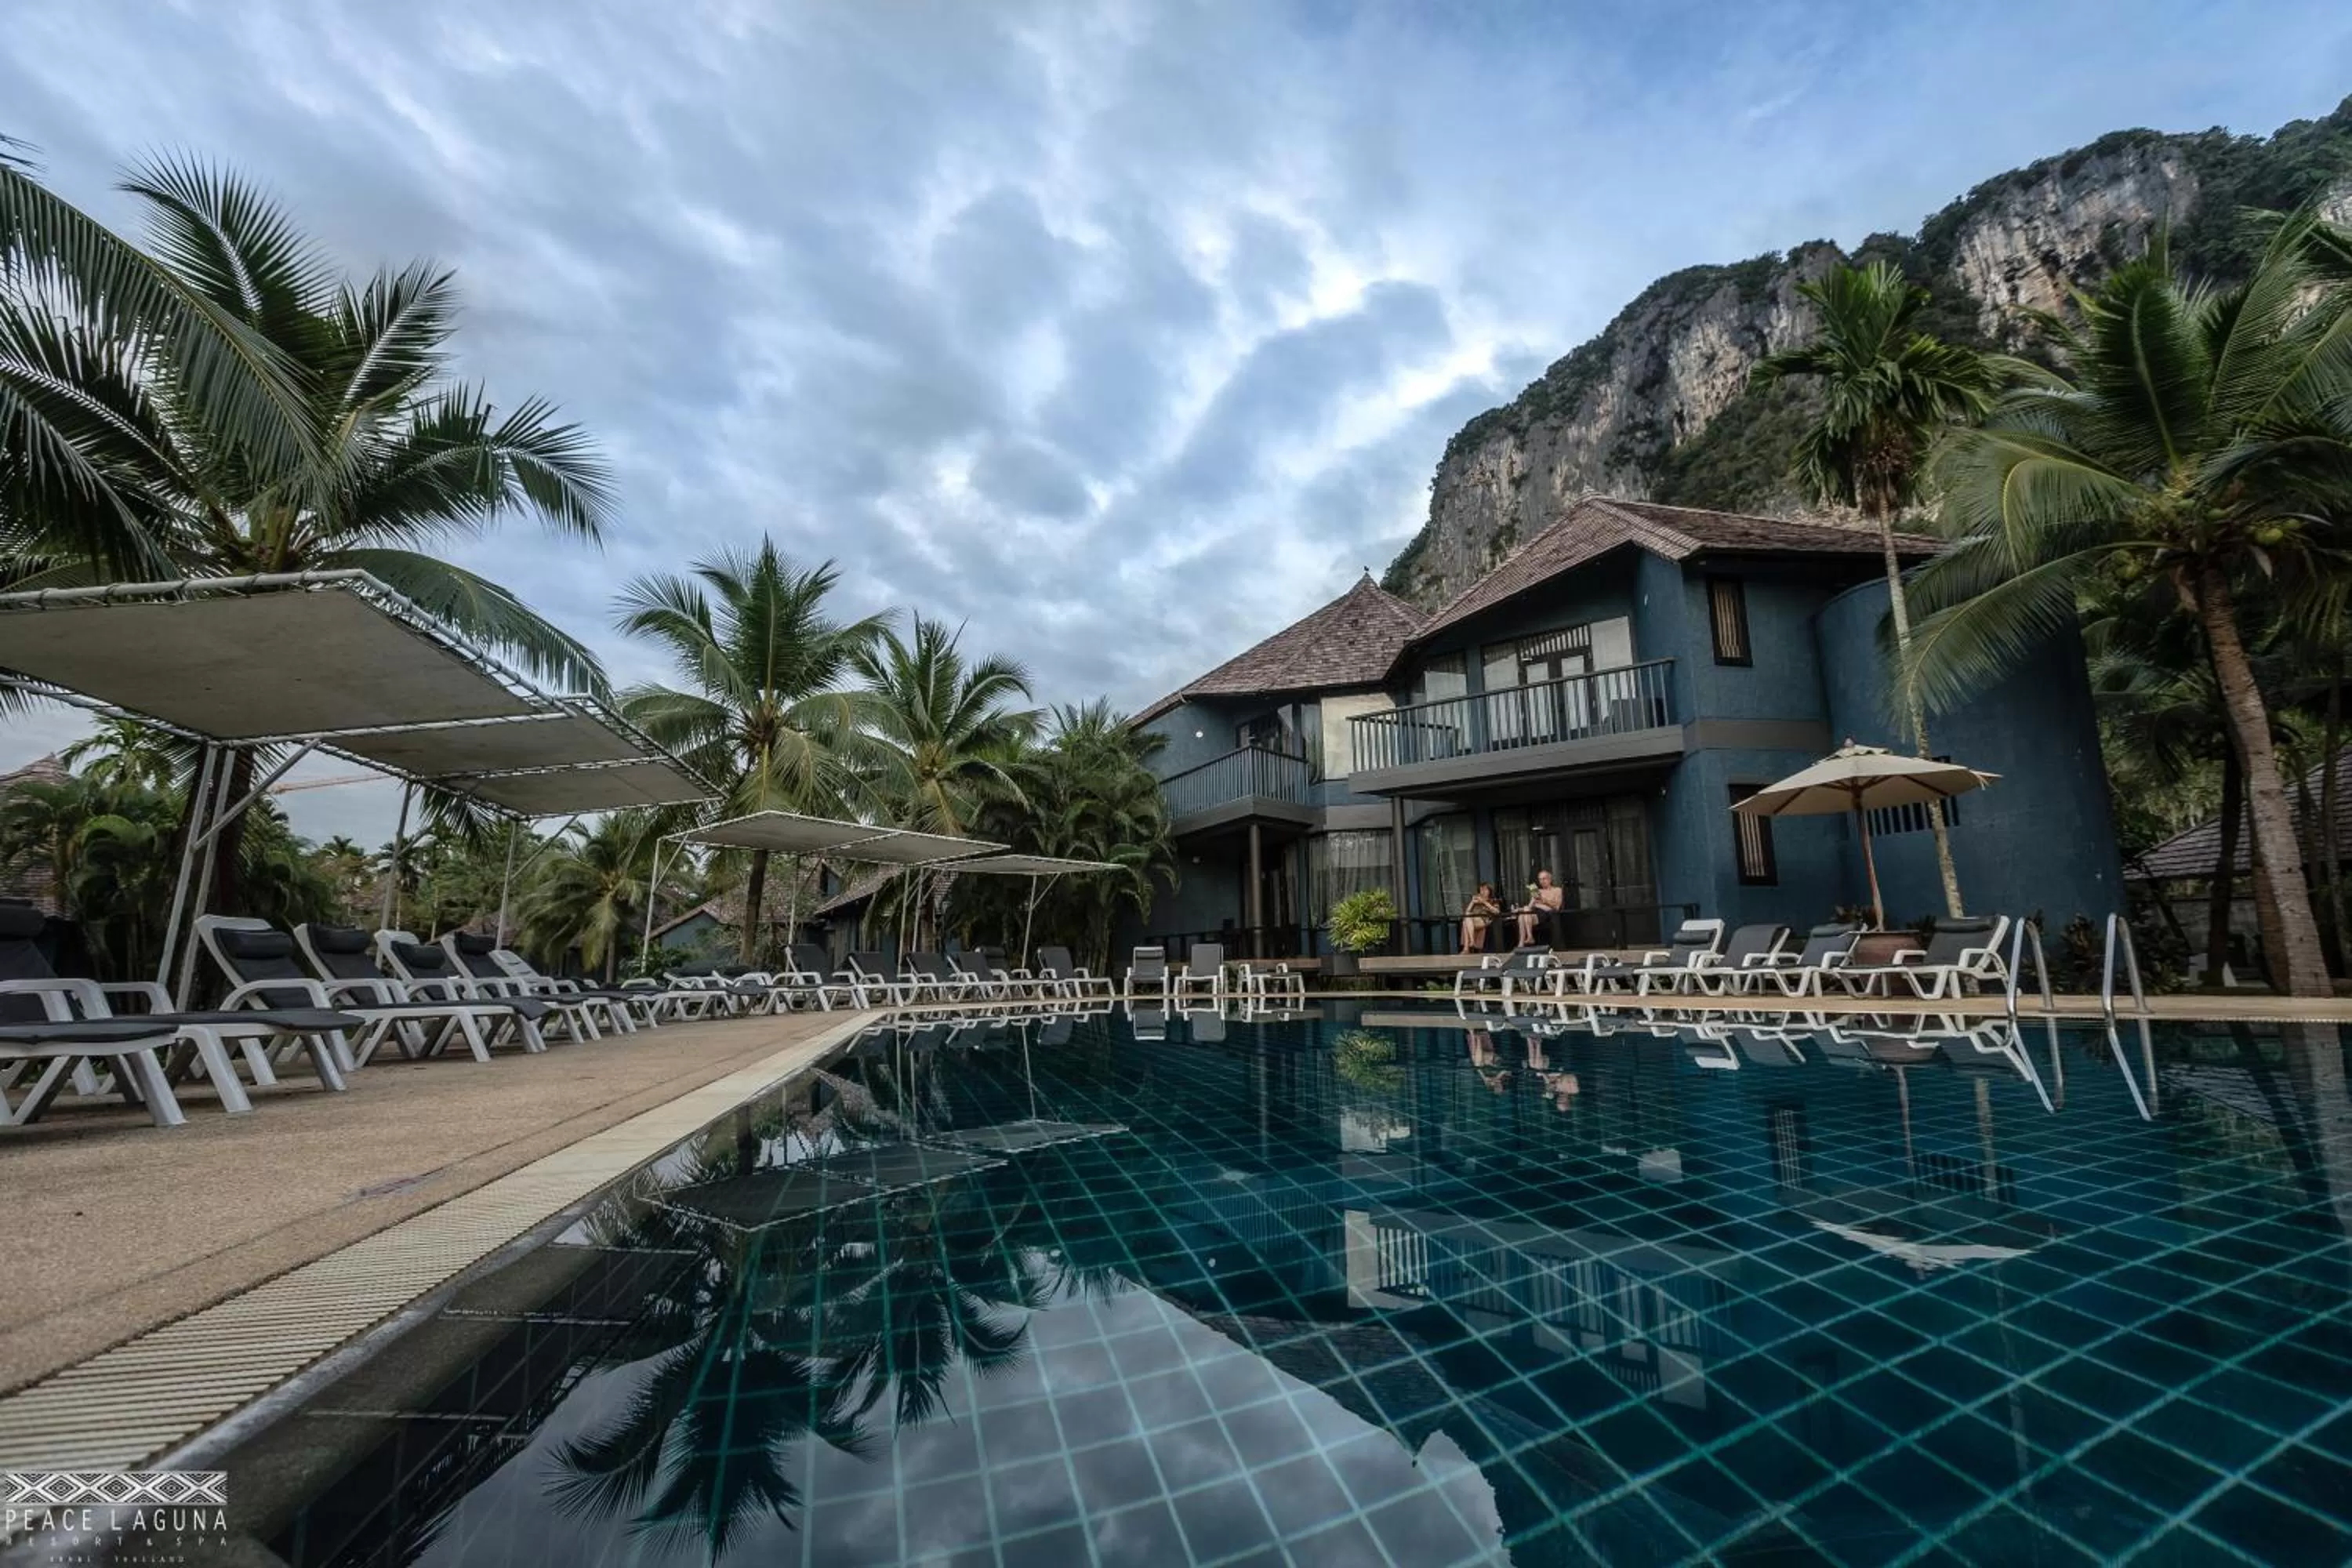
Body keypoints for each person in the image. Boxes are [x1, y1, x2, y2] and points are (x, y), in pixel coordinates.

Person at [1516, 869, 1565, 947]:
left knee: (1523, 915)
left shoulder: (1557, 890)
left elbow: (1557, 906)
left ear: (1550, 879)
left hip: (1546, 914)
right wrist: (1519, 909)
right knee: (1522, 914)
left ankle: (1524, 941)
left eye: (1544, 879)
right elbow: (1529, 907)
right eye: (1540, 879)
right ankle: (1526, 940)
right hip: (1534, 913)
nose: (1542, 881)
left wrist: (1542, 900)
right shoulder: (1538, 891)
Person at [1459, 883, 1501, 953]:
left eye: (1485, 890)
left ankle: (1467, 948)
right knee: (1466, 920)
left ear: (1489, 891)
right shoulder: (1476, 900)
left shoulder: (1493, 900)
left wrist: (1484, 902)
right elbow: (1467, 911)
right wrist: (1472, 902)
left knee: (1465, 922)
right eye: (1481, 890)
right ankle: (1471, 943)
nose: (1483, 892)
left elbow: (1497, 912)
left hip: (1483, 920)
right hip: (1472, 919)